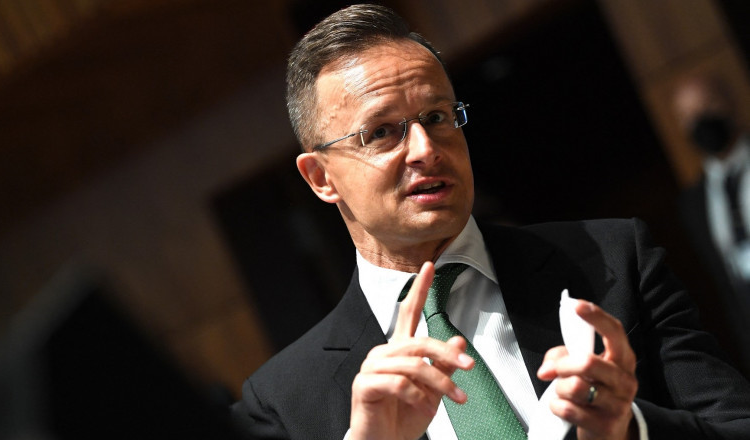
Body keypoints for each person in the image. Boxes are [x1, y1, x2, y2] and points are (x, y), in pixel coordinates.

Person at [231, 4, 750, 439]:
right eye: (383, 132)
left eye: (437, 117)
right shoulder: (280, 401)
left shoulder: (614, 260)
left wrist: (630, 428)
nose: (425, 149)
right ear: (321, 177)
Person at [675, 74, 750, 373]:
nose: (701, 121)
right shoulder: (693, 203)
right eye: (690, 116)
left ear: (730, 103)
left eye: (708, 107)